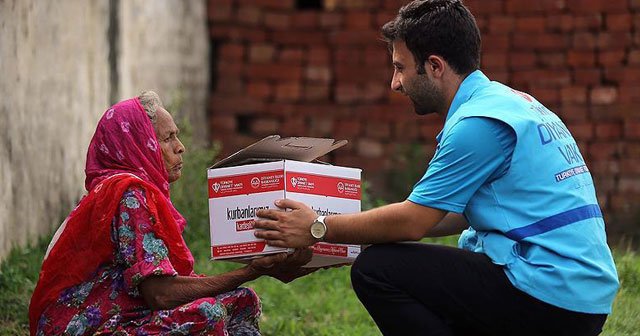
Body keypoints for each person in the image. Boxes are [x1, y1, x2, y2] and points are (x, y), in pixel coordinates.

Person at [252, 1, 620, 335]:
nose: (395, 83)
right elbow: (446, 215)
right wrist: (351, 239)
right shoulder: (512, 103)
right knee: (393, 261)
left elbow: (414, 221)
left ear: (434, 66)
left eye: (400, 68)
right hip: (580, 293)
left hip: (551, 295)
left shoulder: (478, 124)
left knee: (378, 270)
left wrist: (318, 228)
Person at [29, 91, 311, 336]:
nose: (181, 147)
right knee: (207, 313)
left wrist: (254, 273)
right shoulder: (129, 195)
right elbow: (161, 295)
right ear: (140, 146)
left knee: (243, 300)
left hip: (120, 313)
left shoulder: (126, 191)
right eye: (168, 138)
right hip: (85, 327)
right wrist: (250, 271)